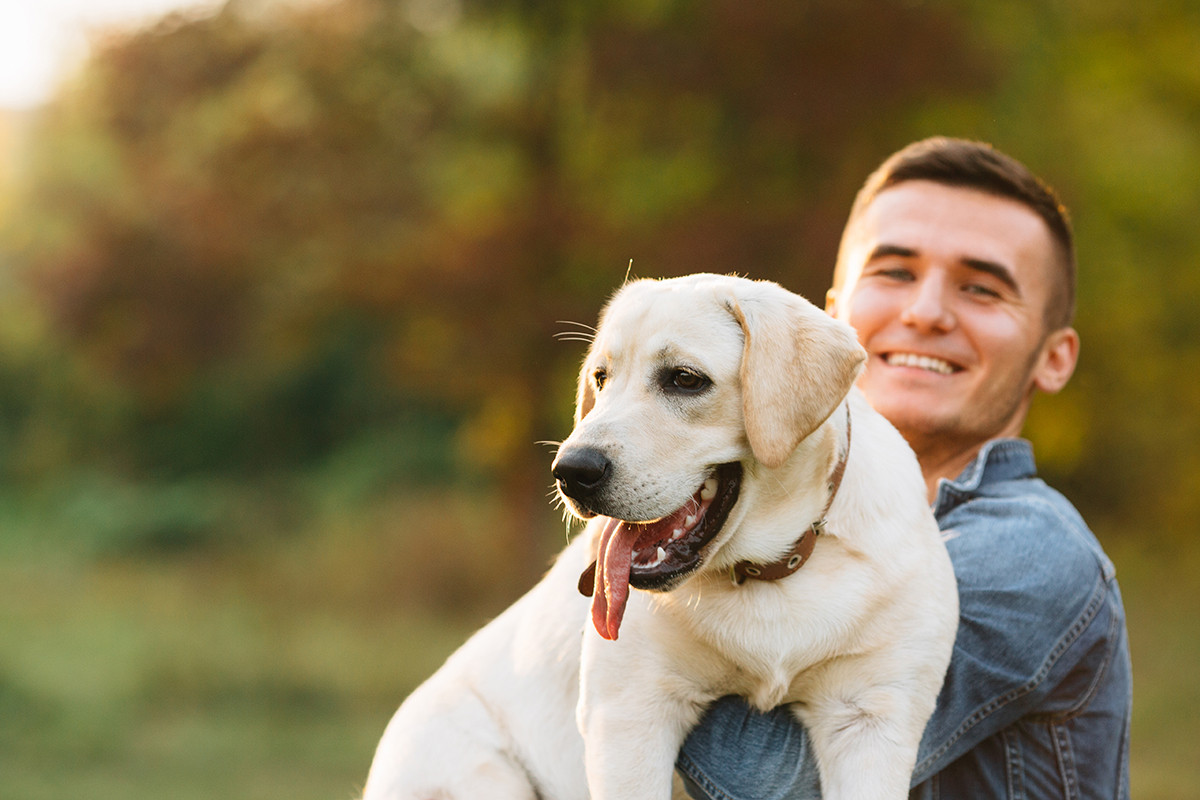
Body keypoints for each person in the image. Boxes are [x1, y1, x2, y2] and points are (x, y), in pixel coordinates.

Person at [674, 137, 1132, 799]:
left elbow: (780, 782)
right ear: (830, 317)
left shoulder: (1032, 554)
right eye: (893, 273)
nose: (925, 313)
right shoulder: (789, 541)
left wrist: (625, 603)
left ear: (1053, 358)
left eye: (982, 288)